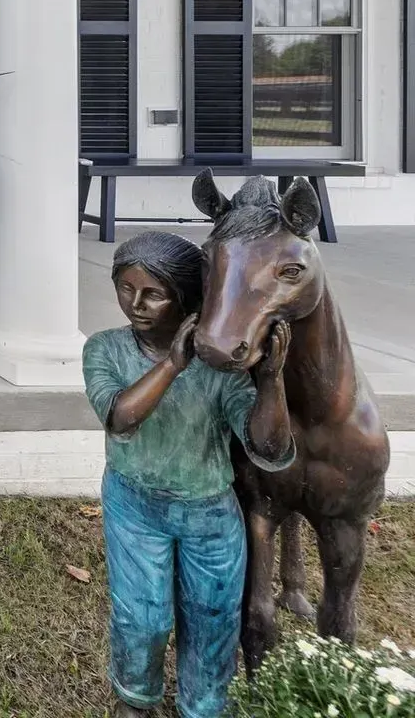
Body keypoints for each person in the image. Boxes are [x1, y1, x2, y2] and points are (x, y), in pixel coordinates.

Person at [84, 231, 295, 718]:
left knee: (213, 620)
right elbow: (120, 418)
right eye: (124, 288)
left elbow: (270, 448)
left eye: (153, 293)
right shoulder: (105, 350)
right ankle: (136, 700)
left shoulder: (220, 368)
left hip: (209, 516)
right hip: (134, 507)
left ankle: (203, 707)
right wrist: (174, 365)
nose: (135, 304)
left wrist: (271, 380)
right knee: (143, 618)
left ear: (184, 298)